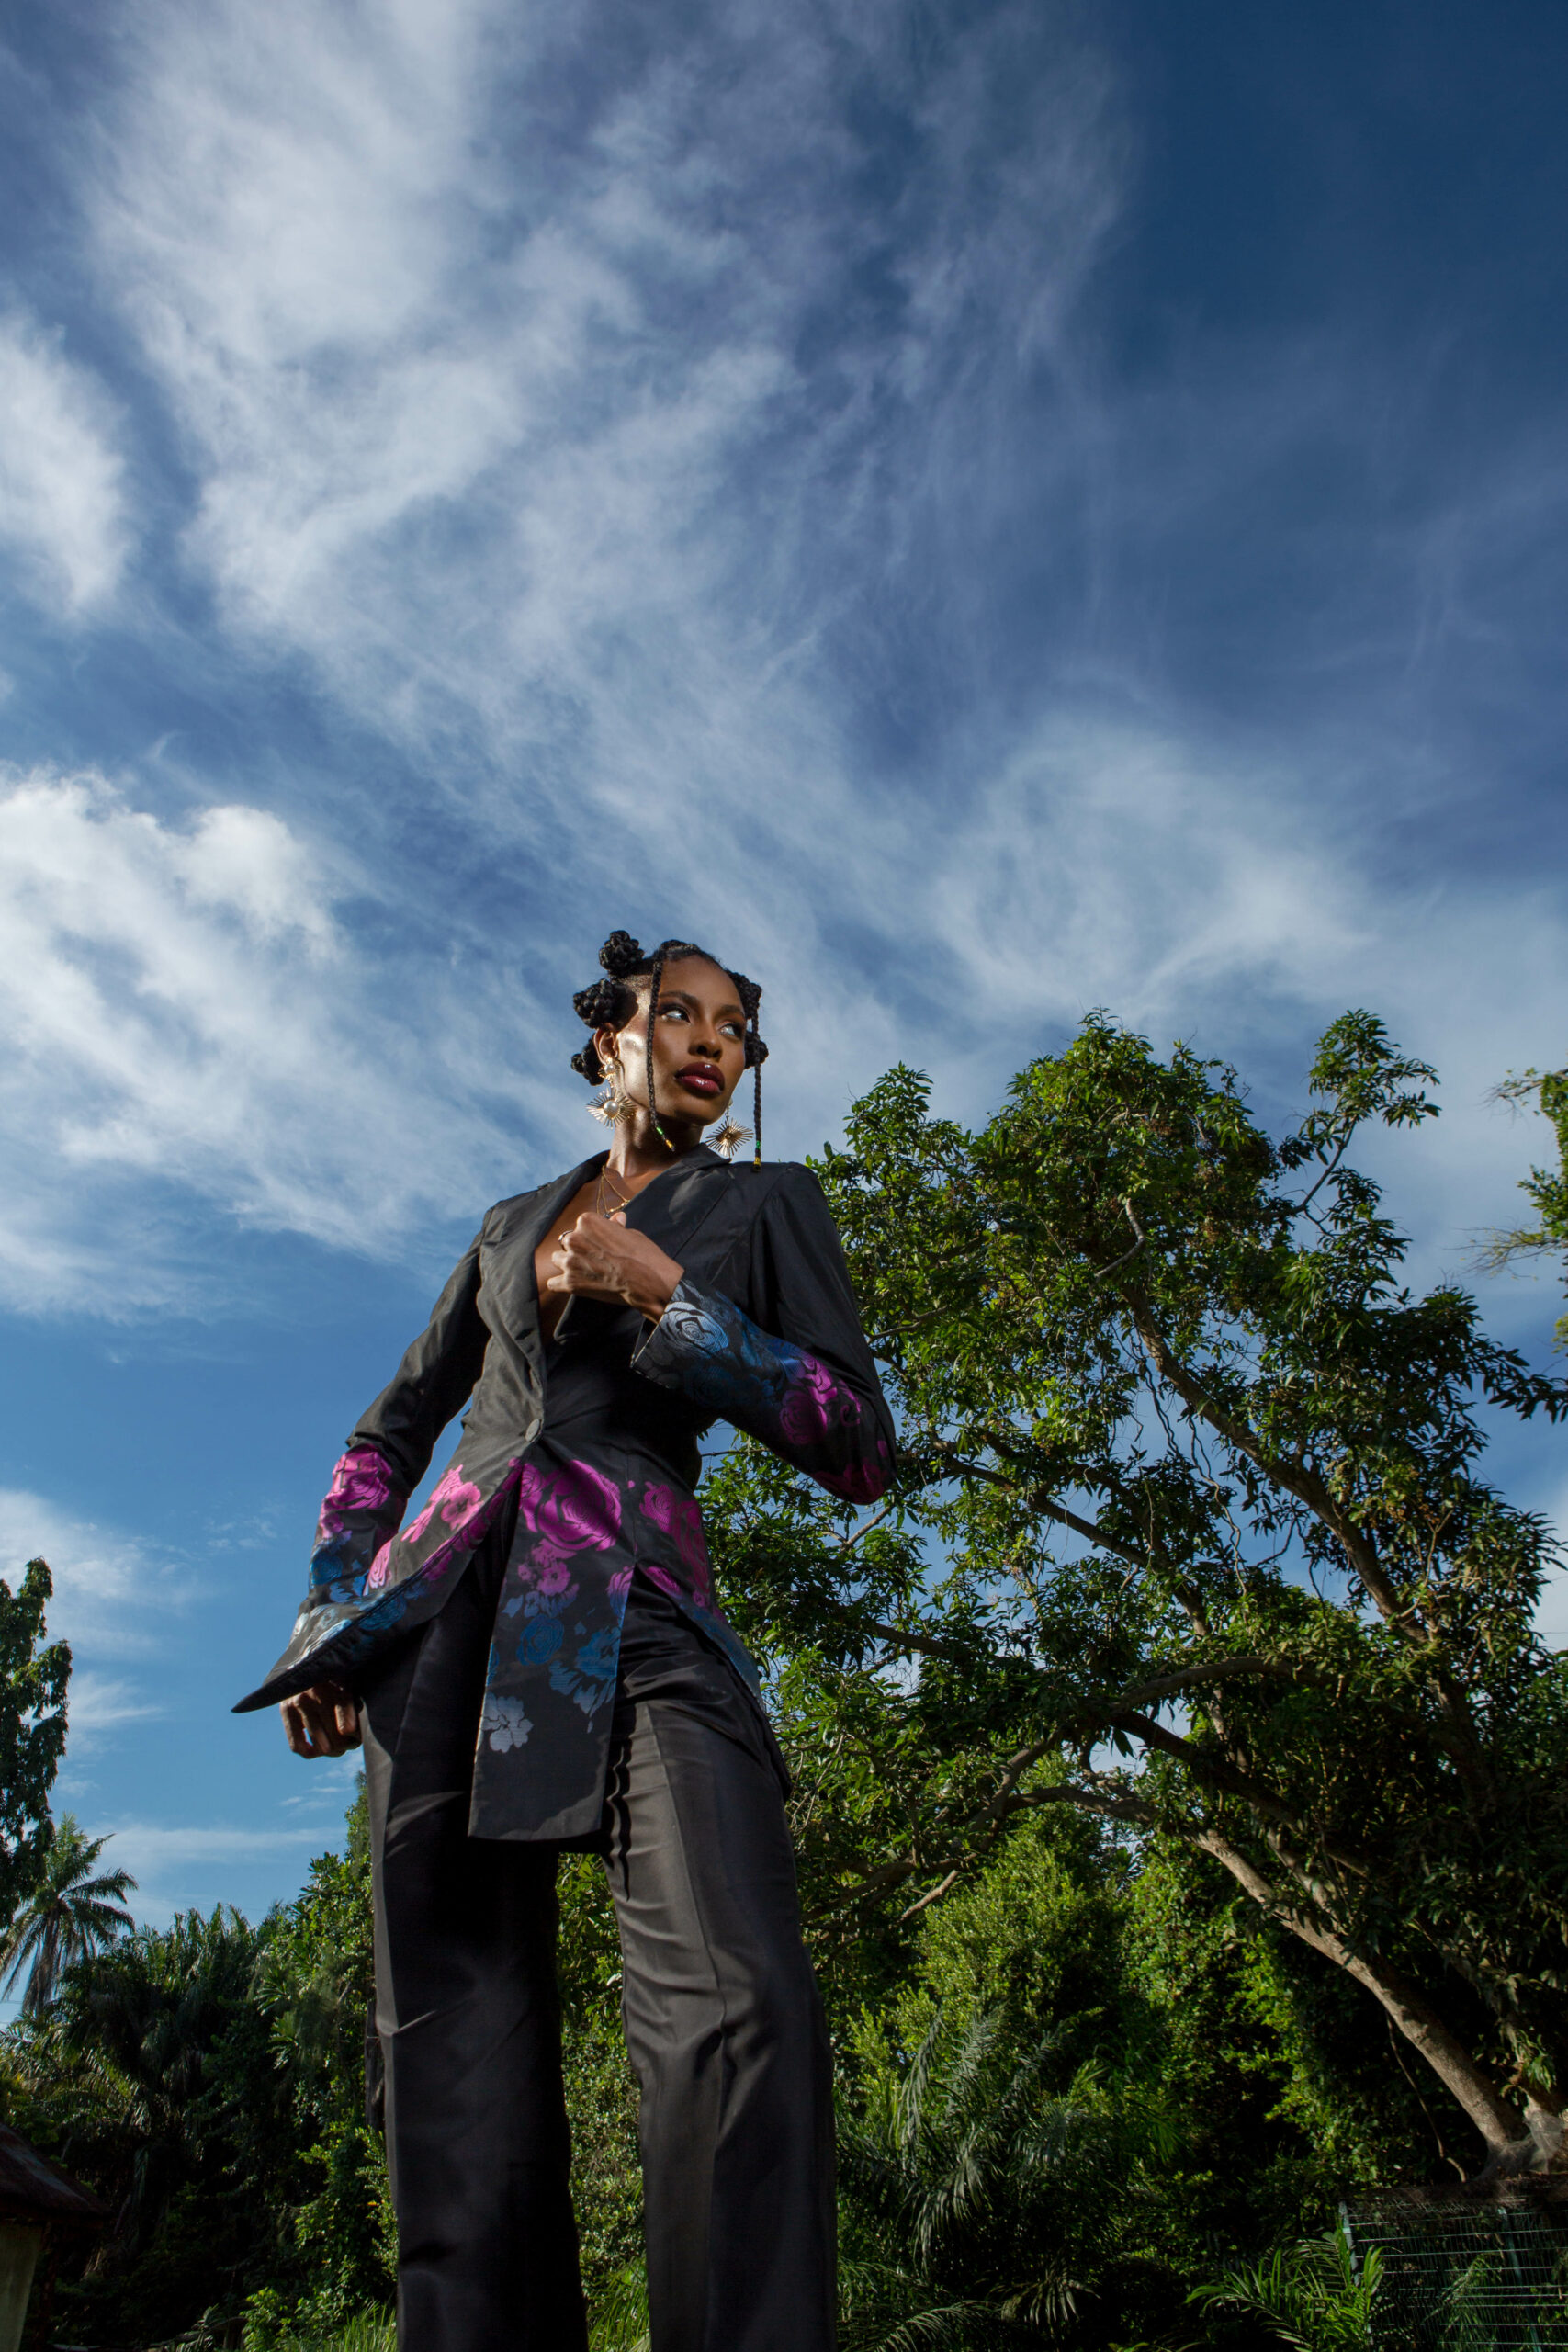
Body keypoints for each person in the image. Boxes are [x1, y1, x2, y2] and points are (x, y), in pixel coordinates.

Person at [234, 932, 895, 2352]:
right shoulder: (506, 1224)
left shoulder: (764, 1204)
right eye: (680, 1013)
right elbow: (385, 1437)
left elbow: (857, 1442)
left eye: (735, 1028)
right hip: (441, 1624)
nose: (711, 1042)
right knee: (450, 2061)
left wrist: (669, 1296)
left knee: (742, 2000)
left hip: (639, 1595)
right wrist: (332, 1617)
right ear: (612, 1038)